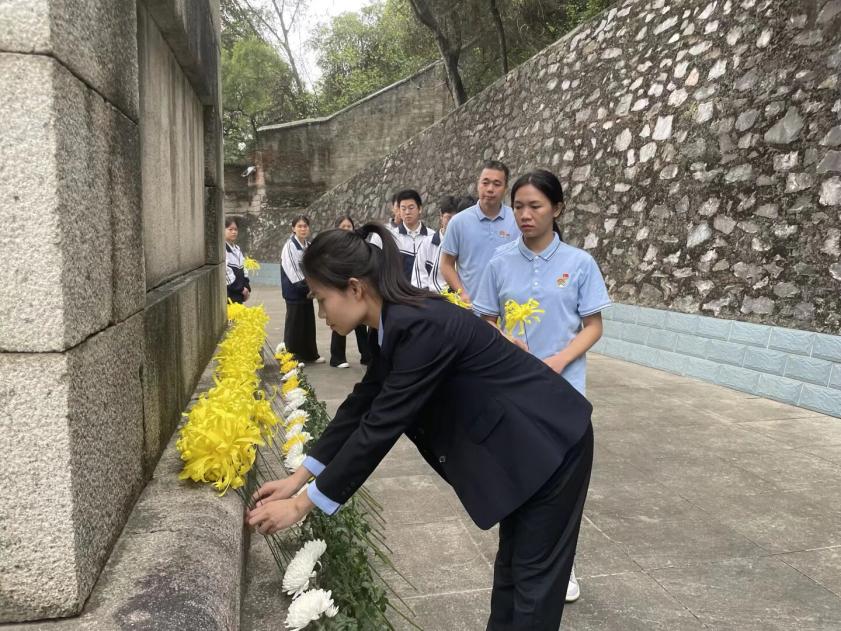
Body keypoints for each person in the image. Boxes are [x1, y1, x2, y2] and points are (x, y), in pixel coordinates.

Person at [246, 223, 594, 630]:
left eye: (322, 300)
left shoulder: (422, 327)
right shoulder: (394, 325)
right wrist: (297, 479)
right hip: (523, 446)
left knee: (532, 586)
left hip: (551, 444)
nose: (322, 315)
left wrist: (301, 505)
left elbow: (380, 427)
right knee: (513, 576)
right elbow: (362, 406)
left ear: (355, 288)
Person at [473, 169, 611, 605]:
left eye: (535, 206)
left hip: (564, 392)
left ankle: (563, 566)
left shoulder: (579, 264)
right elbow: (485, 320)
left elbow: (593, 326)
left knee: (560, 487)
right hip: (513, 393)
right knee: (519, 480)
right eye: (518, 207)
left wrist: (559, 360)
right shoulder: (499, 263)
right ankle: (520, 563)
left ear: (557, 209)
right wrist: (504, 342)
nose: (525, 215)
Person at [440, 160, 520, 303]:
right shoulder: (458, 222)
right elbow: (446, 264)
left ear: (506, 188)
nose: (490, 189)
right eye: (485, 183)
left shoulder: (517, 220)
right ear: (478, 184)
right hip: (471, 308)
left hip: (509, 308)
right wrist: (462, 293)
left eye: (497, 184)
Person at [330, 215, 372, 368]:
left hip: (357, 288)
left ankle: (366, 356)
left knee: (361, 322)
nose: (346, 229)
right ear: (337, 229)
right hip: (340, 288)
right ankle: (337, 358)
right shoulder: (332, 247)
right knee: (340, 322)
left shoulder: (358, 245)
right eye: (343, 226)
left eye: (349, 226)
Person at [280, 215, 324, 363]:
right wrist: (306, 286)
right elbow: (293, 271)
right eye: (299, 226)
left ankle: (311, 355)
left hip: (307, 291)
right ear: (293, 228)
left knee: (308, 324)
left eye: (305, 226)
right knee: (294, 325)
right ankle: (292, 357)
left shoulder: (308, 245)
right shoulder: (289, 246)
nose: (303, 229)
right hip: (295, 292)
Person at [411, 195, 472, 291]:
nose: (452, 223)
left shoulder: (466, 246)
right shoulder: (427, 244)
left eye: (456, 219)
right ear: (441, 215)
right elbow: (418, 281)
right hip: (430, 297)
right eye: (448, 218)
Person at [393, 189, 432, 281]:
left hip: (426, 289)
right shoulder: (392, 237)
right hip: (400, 289)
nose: (407, 212)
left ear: (420, 209)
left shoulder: (432, 236)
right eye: (403, 209)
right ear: (399, 211)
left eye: (411, 208)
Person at [224, 217, 251, 304]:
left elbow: (244, 268)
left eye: (235, 229)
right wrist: (241, 289)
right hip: (230, 295)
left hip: (239, 294)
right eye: (230, 229)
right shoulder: (222, 250)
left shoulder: (237, 249)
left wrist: (246, 287)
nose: (234, 232)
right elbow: (226, 272)